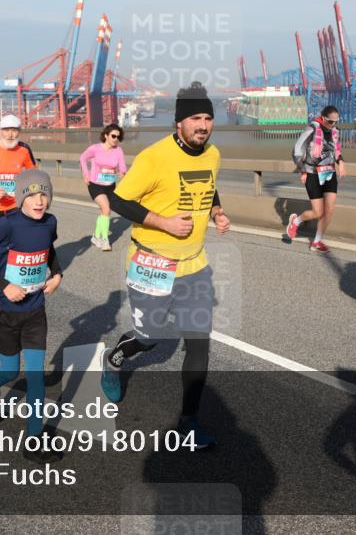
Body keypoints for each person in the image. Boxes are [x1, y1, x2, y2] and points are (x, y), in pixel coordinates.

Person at [100, 82, 231, 450]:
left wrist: (217, 211)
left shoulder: (213, 154)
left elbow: (208, 185)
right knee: (149, 338)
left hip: (194, 265)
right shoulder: (154, 158)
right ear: (179, 123)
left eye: (207, 118)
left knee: (199, 345)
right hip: (152, 262)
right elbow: (119, 199)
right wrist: (164, 222)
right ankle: (114, 361)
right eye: (195, 119)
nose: (202, 125)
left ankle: (189, 422)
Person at [0, 169, 64, 464]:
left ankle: (33, 440)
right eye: (33, 195)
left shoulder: (50, 222)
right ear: (21, 197)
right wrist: (5, 286)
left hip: (34, 310)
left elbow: (48, 250)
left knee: (35, 377)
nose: (39, 201)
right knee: (9, 370)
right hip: (3, 311)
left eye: (44, 194)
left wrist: (57, 273)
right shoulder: (6, 225)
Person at [287, 105, 346, 253]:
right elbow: (296, 150)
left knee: (330, 209)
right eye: (330, 121)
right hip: (312, 173)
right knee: (318, 212)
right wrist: (302, 171)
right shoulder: (312, 129)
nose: (333, 124)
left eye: (336, 121)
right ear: (323, 117)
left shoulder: (335, 131)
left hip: (329, 172)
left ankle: (317, 241)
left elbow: (336, 150)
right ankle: (296, 221)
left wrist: (341, 161)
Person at [80, 123, 127, 251]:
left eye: (118, 137)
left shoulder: (118, 150)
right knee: (106, 209)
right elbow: (83, 158)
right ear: (106, 136)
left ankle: (96, 236)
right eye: (113, 136)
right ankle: (105, 239)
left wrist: (122, 172)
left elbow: (122, 166)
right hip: (95, 184)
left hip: (110, 185)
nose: (116, 139)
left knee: (103, 212)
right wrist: (86, 174)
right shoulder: (95, 148)